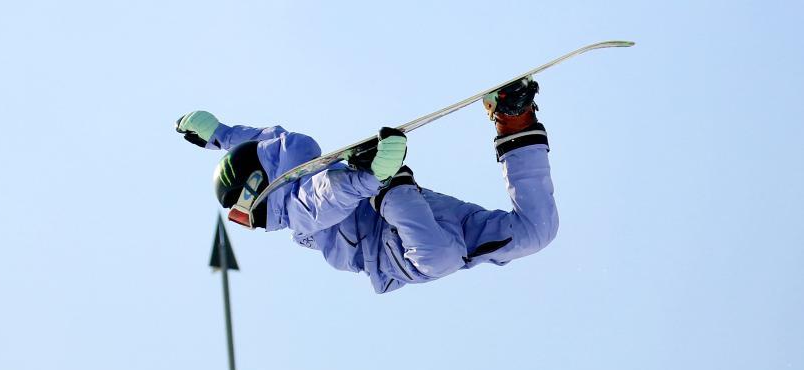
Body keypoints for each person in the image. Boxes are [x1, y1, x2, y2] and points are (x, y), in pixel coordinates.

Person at [175, 78, 558, 294]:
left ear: (254, 185)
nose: (251, 223)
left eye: (242, 214)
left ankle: (388, 181)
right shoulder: (284, 162)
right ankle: (515, 119)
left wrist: (374, 177)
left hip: (393, 242)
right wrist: (219, 134)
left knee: (437, 258)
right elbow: (258, 140)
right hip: (409, 216)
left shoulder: (295, 207)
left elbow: (326, 197)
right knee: (537, 233)